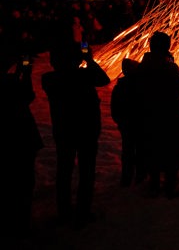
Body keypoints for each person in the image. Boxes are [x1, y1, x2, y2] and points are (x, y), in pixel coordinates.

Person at [41, 39, 111, 228]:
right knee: (86, 171)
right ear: (75, 59)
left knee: (64, 171)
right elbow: (104, 80)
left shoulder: (48, 79)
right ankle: (83, 211)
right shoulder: (84, 75)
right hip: (86, 130)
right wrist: (89, 60)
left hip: (64, 131)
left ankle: (64, 211)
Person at [134, 31, 179, 197]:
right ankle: (170, 183)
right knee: (170, 147)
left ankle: (154, 182)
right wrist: (178, 73)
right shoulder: (168, 67)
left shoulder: (142, 67)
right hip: (169, 116)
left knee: (153, 147)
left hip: (149, 115)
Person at [0, 52, 43, 238]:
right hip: (20, 138)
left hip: (14, 140)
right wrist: (25, 75)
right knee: (23, 182)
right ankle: (21, 224)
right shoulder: (10, 84)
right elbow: (26, 96)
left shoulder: (10, 81)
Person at [111, 57, 144, 187]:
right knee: (139, 149)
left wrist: (119, 121)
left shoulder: (120, 87)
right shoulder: (140, 86)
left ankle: (127, 176)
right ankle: (139, 175)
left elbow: (115, 107)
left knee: (128, 150)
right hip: (137, 123)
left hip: (126, 124)